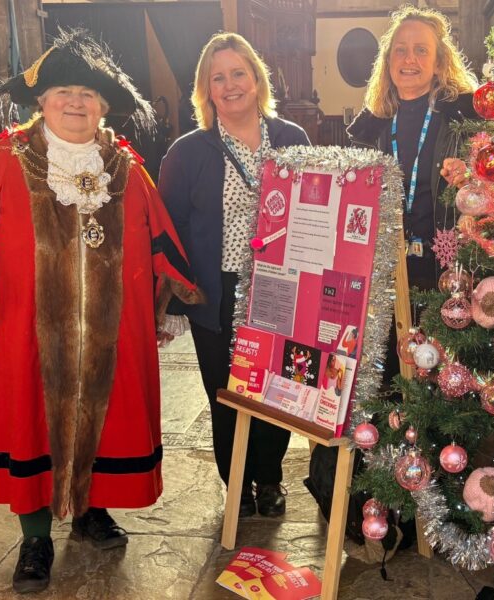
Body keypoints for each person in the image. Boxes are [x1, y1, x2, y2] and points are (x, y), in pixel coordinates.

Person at [0, 31, 202, 594]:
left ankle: (90, 510)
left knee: (112, 418)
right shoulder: (3, 162)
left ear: (104, 106)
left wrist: (167, 304)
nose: (76, 102)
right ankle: (36, 536)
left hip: (113, 334)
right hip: (25, 333)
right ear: (40, 101)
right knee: (29, 426)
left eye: (88, 94)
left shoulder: (126, 168)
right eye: (63, 91)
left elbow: (160, 238)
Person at [157, 32, 310, 520]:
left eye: (238, 73)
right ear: (206, 90)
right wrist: (177, 299)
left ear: (257, 79)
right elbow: (168, 230)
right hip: (217, 292)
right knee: (225, 393)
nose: (229, 85)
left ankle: (269, 479)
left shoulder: (292, 139)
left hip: (281, 288)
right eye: (217, 77)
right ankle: (237, 484)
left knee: (277, 391)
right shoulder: (187, 152)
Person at [347, 5, 477, 292]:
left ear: (439, 63)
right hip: (384, 274)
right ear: (388, 60)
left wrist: (469, 179)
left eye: (421, 50)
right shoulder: (369, 128)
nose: (409, 59)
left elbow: (492, 188)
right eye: (400, 49)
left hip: (447, 271)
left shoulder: (464, 117)